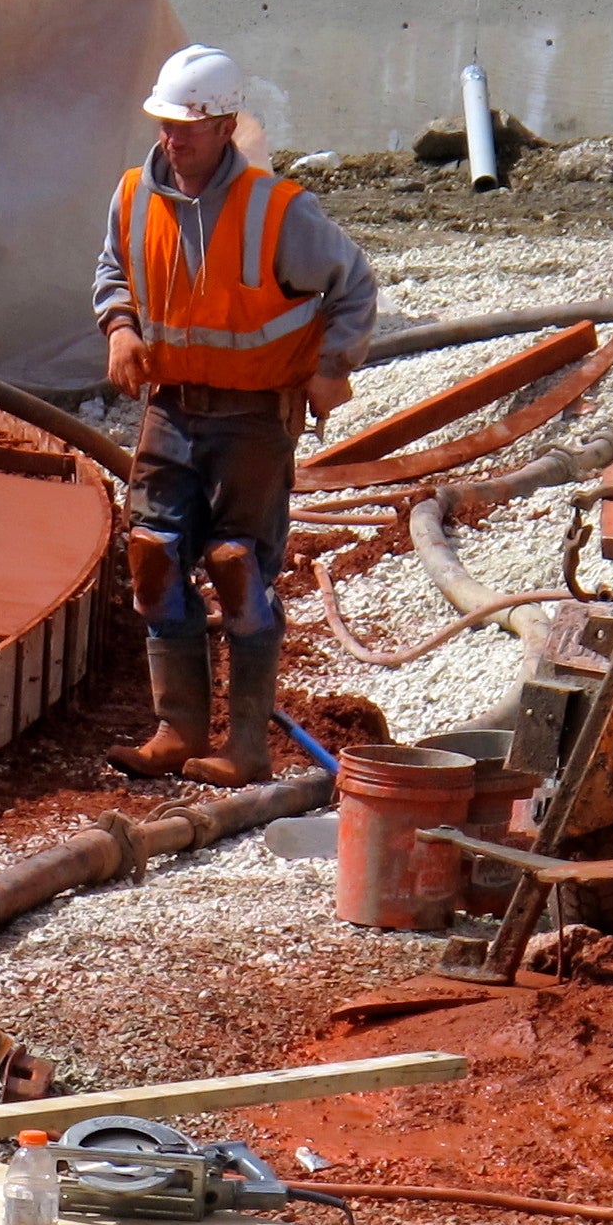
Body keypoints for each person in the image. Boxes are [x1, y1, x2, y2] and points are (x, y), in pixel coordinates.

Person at [94, 44, 377, 788]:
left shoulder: (278, 211)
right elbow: (113, 270)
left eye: (187, 126)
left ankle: (245, 746)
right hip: (172, 408)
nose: (171, 139)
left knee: (237, 567)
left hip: (252, 416)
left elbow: (353, 285)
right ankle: (176, 730)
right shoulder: (134, 196)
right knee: (153, 558)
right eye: (164, 124)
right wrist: (120, 327)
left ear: (225, 126)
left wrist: (329, 369)